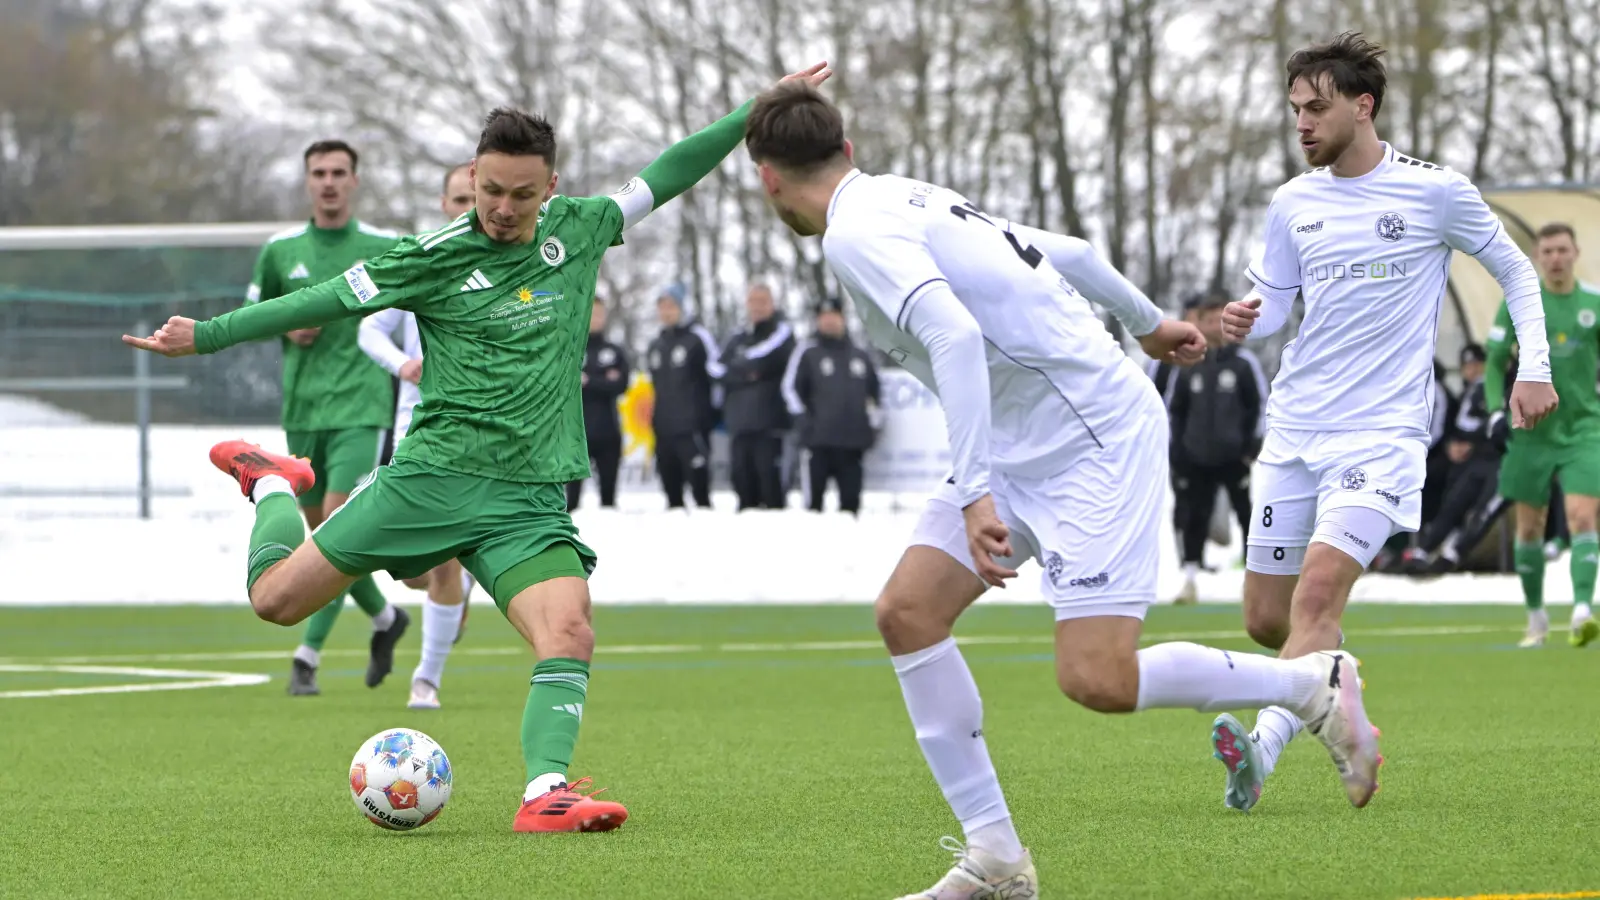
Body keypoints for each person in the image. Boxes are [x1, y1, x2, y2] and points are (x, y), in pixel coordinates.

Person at [122, 60, 834, 834]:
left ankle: (545, 793)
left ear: (550, 187)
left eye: (522, 195)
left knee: (569, 632)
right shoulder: (431, 255)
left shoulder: (582, 228)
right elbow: (325, 299)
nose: (501, 207)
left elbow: (671, 169)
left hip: (527, 499)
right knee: (274, 602)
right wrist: (210, 334)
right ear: (473, 176)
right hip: (429, 481)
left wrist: (754, 110)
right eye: (490, 189)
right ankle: (268, 483)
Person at [745, 80, 1381, 900]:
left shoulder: (853, 233)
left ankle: (1308, 684)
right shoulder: (904, 196)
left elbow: (953, 334)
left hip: (1093, 443)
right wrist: (1148, 322)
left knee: (1097, 679)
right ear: (847, 150)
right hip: (1021, 443)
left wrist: (973, 492)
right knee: (907, 612)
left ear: (768, 179)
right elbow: (1072, 253)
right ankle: (996, 861)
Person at [1212, 32, 1557, 814]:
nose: (1301, 123)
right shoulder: (1293, 203)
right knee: (1269, 621)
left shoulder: (1435, 193)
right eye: (1294, 109)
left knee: (1315, 602)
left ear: (1362, 106)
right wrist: (1244, 317)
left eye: (1316, 108)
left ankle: (1258, 754)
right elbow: (1274, 302)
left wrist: (1532, 367)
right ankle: (1337, 683)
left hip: (1381, 437)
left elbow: (1516, 271)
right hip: (1295, 430)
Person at [248, 139, 410, 697]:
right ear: (308, 181)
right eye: (319, 172)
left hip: (362, 405)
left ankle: (307, 656)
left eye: (339, 172)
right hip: (304, 408)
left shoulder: (384, 247)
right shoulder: (280, 250)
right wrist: (285, 325)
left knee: (337, 524)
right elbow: (253, 313)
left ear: (354, 180)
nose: (329, 181)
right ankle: (385, 618)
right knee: (321, 539)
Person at [357, 161, 478, 709]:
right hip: (414, 434)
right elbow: (369, 327)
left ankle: (426, 679)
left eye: (477, 197)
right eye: (459, 199)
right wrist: (403, 364)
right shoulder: (422, 263)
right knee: (412, 572)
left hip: (477, 435)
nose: (469, 208)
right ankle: (457, 590)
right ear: (443, 204)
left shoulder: (517, 268)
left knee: (445, 559)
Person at [1484, 222, 1600, 648]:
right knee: (1529, 527)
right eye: (1547, 251)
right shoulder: (1519, 302)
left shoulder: (1594, 303)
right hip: (1530, 429)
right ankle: (1536, 618)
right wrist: (1494, 412)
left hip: (1584, 427)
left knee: (1583, 516)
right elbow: (1494, 360)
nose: (1555, 258)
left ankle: (1583, 611)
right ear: (1536, 256)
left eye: (1562, 250)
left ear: (1575, 253)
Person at [1168, 293, 1268, 605]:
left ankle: (1256, 580)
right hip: (1196, 456)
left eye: (1218, 319)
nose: (1214, 326)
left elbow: (1259, 405)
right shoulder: (1187, 363)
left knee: (1246, 514)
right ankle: (1189, 579)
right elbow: (1176, 410)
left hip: (1234, 456)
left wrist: (1251, 447)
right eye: (1208, 320)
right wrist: (1178, 450)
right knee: (1194, 516)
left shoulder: (1243, 363)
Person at [1400, 344, 1501, 574]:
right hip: (1472, 459)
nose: (1472, 371)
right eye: (1467, 366)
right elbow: (1460, 425)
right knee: (1453, 499)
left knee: (1481, 507)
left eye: (1477, 365)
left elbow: (1481, 423)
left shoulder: (1497, 386)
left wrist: (1470, 440)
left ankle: (1451, 551)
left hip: (1497, 459)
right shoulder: (1470, 391)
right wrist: (1453, 444)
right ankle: (1424, 549)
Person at [781, 296, 881, 514]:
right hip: (817, 444)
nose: (829, 321)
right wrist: (805, 422)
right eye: (824, 317)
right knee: (814, 507)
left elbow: (874, 395)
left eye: (833, 316)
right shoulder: (807, 352)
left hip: (852, 444)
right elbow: (790, 389)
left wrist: (872, 425)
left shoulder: (860, 355)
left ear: (842, 318)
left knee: (851, 506)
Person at [719, 283, 797, 510]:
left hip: (770, 425)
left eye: (763, 302)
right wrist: (748, 374)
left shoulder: (783, 333)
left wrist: (739, 369)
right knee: (741, 481)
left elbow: (760, 359)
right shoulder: (736, 336)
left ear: (772, 304)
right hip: (740, 424)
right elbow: (717, 369)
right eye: (753, 301)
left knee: (770, 486)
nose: (757, 307)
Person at [646, 284, 722, 509]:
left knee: (701, 498)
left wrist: (710, 416)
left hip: (692, 430)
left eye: (671, 306)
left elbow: (718, 375)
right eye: (662, 307)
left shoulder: (698, 338)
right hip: (664, 429)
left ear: (681, 307)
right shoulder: (656, 344)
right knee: (672, 498)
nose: (667, 312)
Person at [568, 296, 631, 511]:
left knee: (608, 502)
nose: (595, 318)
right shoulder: (571, 349)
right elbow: (567, 385)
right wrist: (604, 380)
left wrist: (588, 381)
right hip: (577, 435)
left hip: (608, 433)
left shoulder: (614, 351)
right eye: (591, 313)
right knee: (571, 504)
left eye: (599, 314)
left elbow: (621, 385)